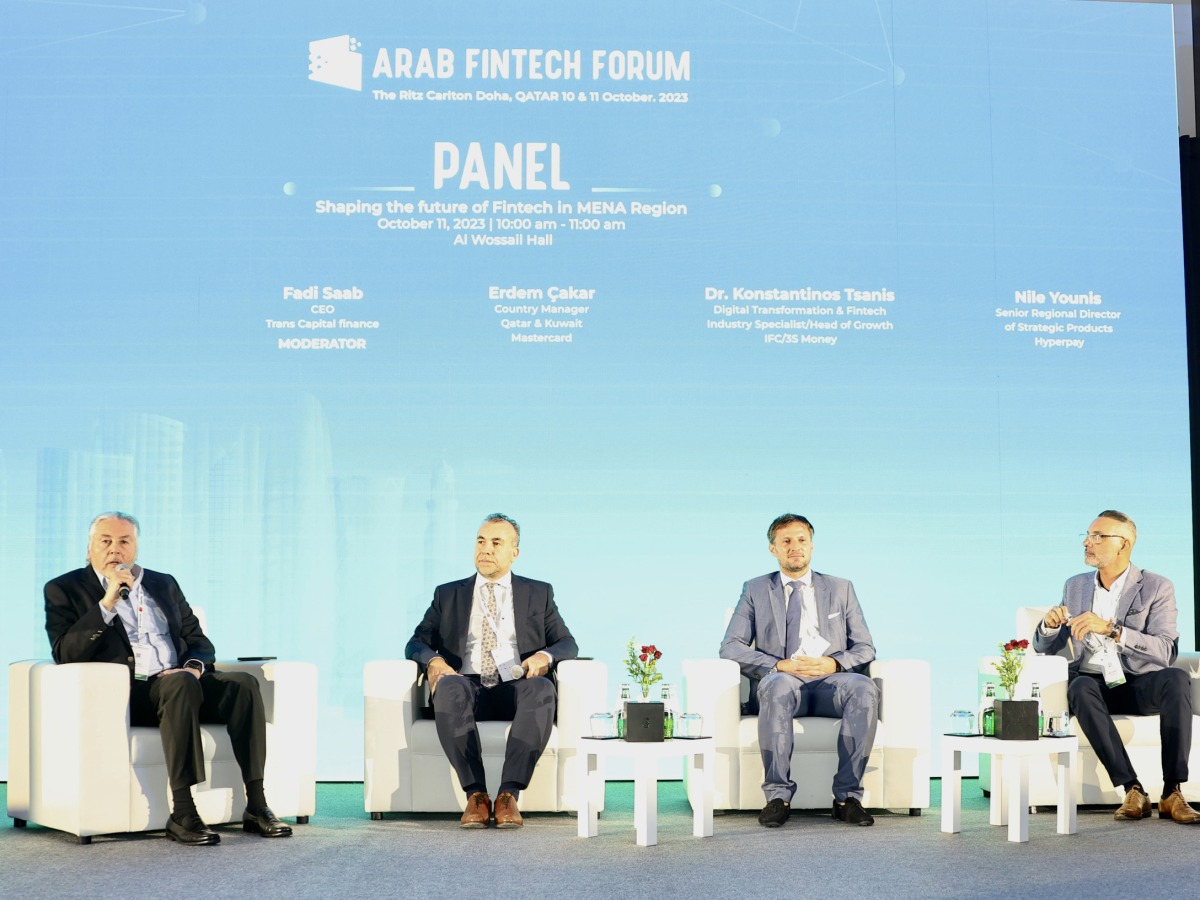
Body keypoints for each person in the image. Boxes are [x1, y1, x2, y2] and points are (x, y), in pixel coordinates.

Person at [43, 512, 292, 845]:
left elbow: (200, 642)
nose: (115, 549)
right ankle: (184, 812)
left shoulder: (164, 583)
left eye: (124, 541)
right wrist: (108, 602)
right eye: (105, 541)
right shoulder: (64, 588)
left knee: (243, 685)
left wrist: (192, 667)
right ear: (89, 549)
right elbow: (65, 653)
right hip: (132, 696)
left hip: (183, 683)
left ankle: (257, 806)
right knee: (179, 685)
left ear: (135, 548)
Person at [406, 513, 577, 828]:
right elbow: (416, 642)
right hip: (466, 682)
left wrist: (544, 655)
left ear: (514, 552)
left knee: (542, 689)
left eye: (496, 543)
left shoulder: (539, 593)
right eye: (480, 541)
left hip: (516, 682)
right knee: (449, 687)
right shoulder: (448, 594)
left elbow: (567, 643)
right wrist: (434, 661)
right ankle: (477, 795)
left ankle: (508, 795)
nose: (485, 549)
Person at [1034, 510, 1199, 823]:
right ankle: (1132, 788)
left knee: (1177, 679)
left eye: (1098, 536)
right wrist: (1049, 626)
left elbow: (1165, 651)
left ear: (1123, 545)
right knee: (1079, 686)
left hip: (1137, 683)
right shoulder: (1076, 586)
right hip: (1094, 686)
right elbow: (1047, 648)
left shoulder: (1156, 586)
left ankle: (1172, 793)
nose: (1087, 542)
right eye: (1087, 535)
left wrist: (1113, 630)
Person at [720, 513, 880, 828]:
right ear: (773, 549)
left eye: (802, 540)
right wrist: (777, 664)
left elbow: (865, 648)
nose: (795, 547)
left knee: (863, 689)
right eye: (786, 541)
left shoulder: (841, 588)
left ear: (812, 546)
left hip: (830, 684)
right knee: (779, 685)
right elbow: (731, 647)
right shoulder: (754, 589)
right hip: (782, 681)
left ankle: (847, 798)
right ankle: (778, 798)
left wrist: (833, 663)